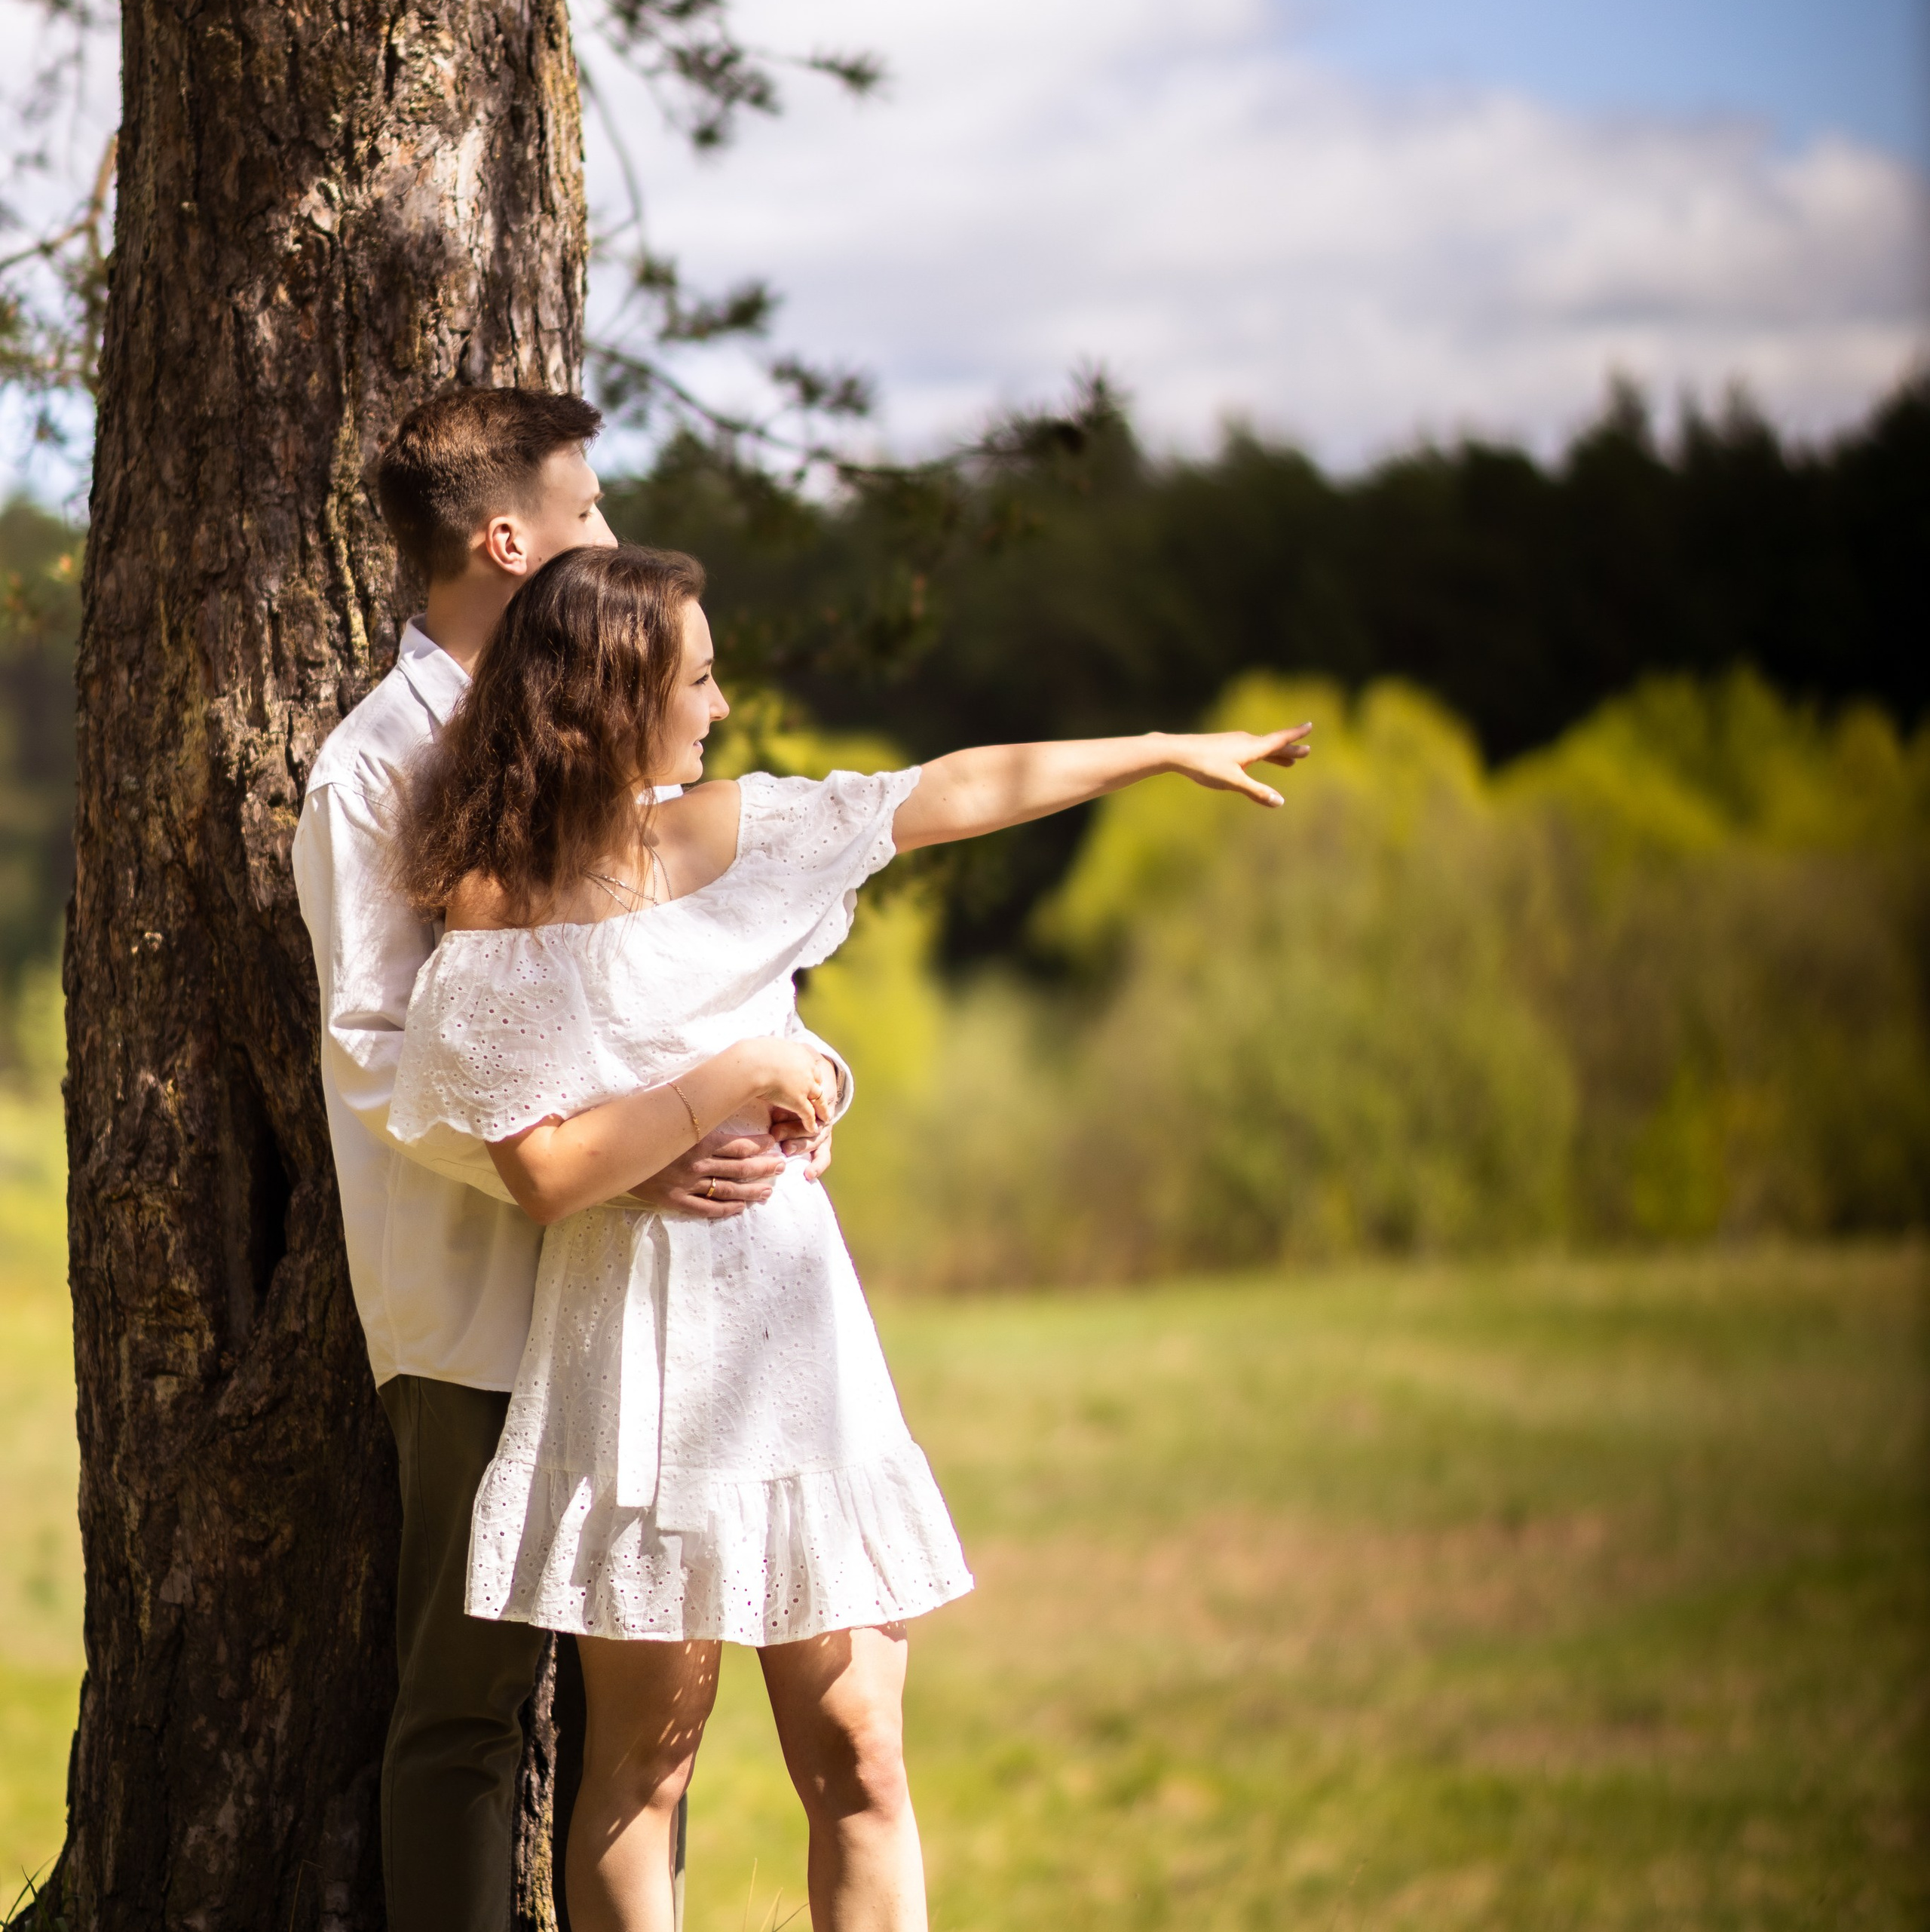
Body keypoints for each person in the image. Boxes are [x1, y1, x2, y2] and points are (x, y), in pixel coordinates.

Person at [387, 544, 1313, 1930]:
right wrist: (738, 1074)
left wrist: (1163, 749)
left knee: (862, 1755)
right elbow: (545, 1173)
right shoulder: (500, 897)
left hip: (792, 1329)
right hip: (631, 1349)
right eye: (695, 678)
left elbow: (950, 789)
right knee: (644, 1766)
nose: (716, 703)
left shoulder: (745, 833)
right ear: (610, 697)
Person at [291, 388, 839, 1932]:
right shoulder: (372, 772)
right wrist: (603, 1161)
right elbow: (383, 1057)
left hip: (648, 1298)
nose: (613, 538)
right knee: (466, 1702)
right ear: (507, 537)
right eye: (588, 514)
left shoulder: (597, 728)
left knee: (640, 1708)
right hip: (477, 1304)